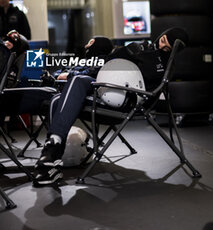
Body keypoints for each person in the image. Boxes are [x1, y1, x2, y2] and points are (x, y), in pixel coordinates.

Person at [34, 28, 188, 185]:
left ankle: (51, 157)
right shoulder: (141, 47)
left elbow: (150, 91)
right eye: (162, 41)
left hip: (125, 103)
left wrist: (143, 57)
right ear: (161, 35)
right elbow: (107, 64)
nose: (161, 48)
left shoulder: (165, 65)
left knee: (62, 95)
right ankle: (52, 152)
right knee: (67, 90)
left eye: (167, 48)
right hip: (104, 88)